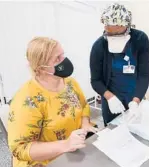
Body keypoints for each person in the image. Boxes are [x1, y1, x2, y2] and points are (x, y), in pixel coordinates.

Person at [8, 37, 97, 167]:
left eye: (63, 55)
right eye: (57, 59)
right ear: (41, 68)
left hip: (74, 151)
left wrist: (85, 124)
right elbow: (19, 149)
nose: (64, 61)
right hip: (47, 161)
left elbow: (83, 106)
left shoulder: (70, 83)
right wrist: (65, 145)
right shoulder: (27, 101)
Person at [90, 3, 149, 126]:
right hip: (111, 99)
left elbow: (144, 75)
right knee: (112, 129)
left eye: (118, 32)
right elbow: (96, 80)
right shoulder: (99, 46)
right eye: (109, 33)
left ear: (126, 26)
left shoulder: (140, 39)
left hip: (134, 96)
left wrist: (136, 100)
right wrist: (109, 97)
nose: (113, 36)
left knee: (134, 128)